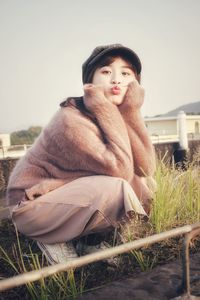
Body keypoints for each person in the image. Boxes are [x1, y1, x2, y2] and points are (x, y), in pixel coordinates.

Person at [7, 43, 156, 265]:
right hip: (31, 208)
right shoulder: (70, 119)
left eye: (126, 73)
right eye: (106, 72)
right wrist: (106, 107)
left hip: (63, 196)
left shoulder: (112, 116)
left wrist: (130, 111)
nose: (116, 79)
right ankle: (51, 238)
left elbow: (145, 167)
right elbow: (120, 171)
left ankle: (90, 241)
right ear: (90, 81)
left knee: (144, 182)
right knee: (117, 185)